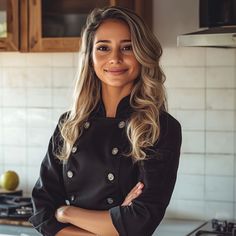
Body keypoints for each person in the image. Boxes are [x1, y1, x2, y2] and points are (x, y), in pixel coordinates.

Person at [29, 6, 182, 236]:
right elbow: (41, 211)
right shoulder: (70, 124)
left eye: (127, 47)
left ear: (142, 54)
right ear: (90, 58)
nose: (115, 58)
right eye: (103, 48)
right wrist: (113, 222)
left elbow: (139, 222)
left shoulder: (159, 127)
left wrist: (65, 213)